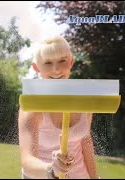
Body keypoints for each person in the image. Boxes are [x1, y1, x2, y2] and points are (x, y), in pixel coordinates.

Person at [18, 36, 99, 179]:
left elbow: (85, 141)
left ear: (71, 62)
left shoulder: (85, 99)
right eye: (48, 63)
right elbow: (27, 160)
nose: (56, 69)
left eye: (62, 61)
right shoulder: (32, 105)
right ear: (37, 67)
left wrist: (94, 177)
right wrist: (52, 170)